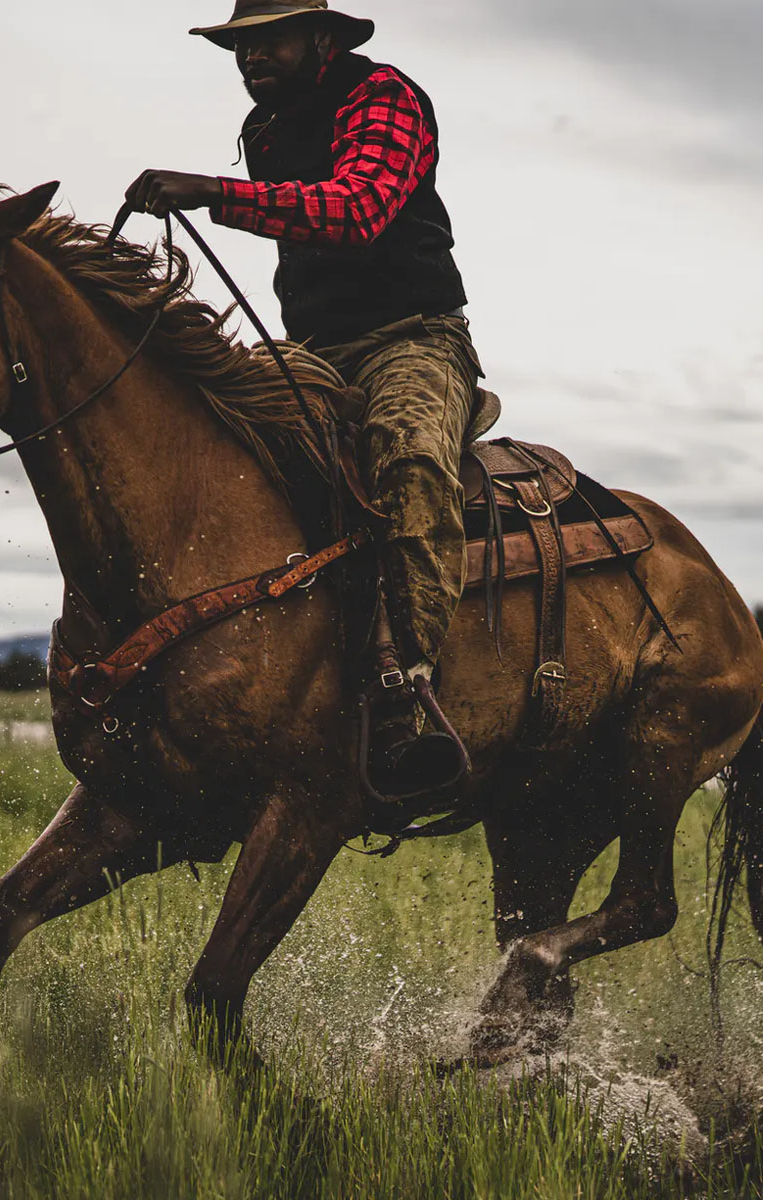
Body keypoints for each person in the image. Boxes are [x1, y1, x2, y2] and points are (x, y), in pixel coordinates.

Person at [124, 0, 482, 803]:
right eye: (240, 46)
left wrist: (210, 193)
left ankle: (408, 692)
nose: (250, 58)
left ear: (323, 39)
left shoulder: (385, 96)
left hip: (411, 338)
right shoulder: (266, 130)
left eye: (267, 41)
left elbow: (357, 209)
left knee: (410, 453)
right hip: (316, 351)